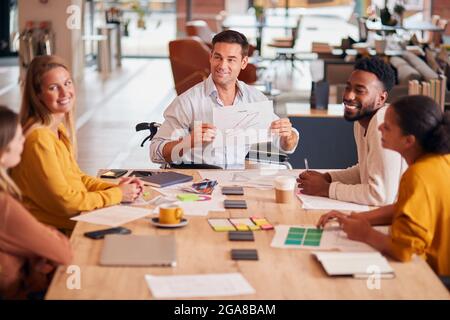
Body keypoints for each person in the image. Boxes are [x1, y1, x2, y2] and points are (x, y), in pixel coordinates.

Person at [317, 95, 450, 277]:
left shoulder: (418, 175)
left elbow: (405, 251)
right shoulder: (441, 161)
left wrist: (365, 234)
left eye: (386, 127)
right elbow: (405, 208)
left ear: (408, 141)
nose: (379, 128)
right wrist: (359, 218)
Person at [10, 55, 143, 232]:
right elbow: (66, 202)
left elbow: (76, 178)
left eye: (67, 83)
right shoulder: (39, 139)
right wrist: (117, 194)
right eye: (53, 88)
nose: (65, 93)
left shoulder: (57, 130)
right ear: (38, 95)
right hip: (52, 232)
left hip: (70, 222)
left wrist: (120, 187)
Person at [150, 30, 299, 169]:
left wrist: (287, 136)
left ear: (244, 62)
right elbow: (155, 152)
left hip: (236, 180)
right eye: (218, 57)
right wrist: (190, 141)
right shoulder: (188, 101)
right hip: (197, 181)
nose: (222, 65)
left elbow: (286, 144)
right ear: (210, 57)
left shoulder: (255, 99)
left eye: (231, 60)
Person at [298, 57, 407, 206]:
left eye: (359, 91)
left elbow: (381, 195)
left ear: (381, 98)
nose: (348, 96)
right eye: (348, 87)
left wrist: (326, 189)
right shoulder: (362, 119)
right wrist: (328, 177)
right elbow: (365, 170)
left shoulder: (382, 123)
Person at [0, 105, 72, 299]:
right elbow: (63, 253)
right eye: (18, 137)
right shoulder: (4, 205)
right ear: (3, 152)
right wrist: (47, 237)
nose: (24, 139)